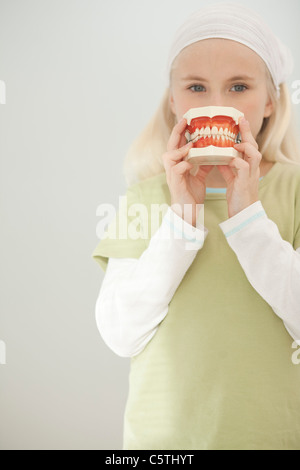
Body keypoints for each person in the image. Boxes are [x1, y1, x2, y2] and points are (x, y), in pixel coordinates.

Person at [92, 3, 300, 450]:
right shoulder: (146, 197)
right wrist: (181, 222)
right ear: (174, 100)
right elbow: (120, 333)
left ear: (270, 100)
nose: (216, 104)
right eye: (196, 87)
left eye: (239, 86)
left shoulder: (295, 190)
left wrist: (248, 217)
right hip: (162, 444)